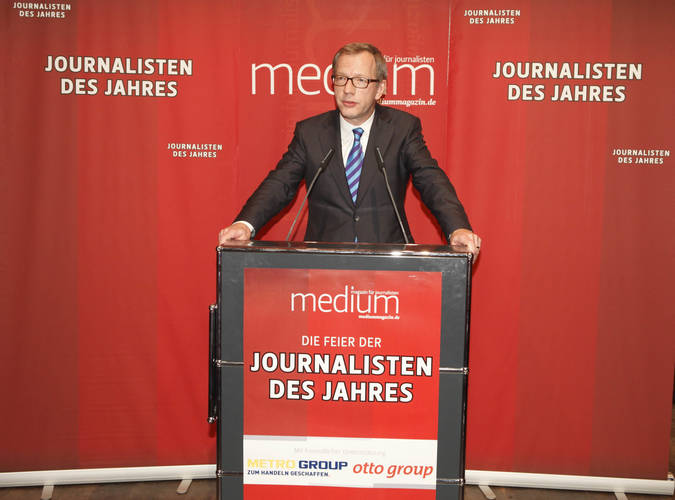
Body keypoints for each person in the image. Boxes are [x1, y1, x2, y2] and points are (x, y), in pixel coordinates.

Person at [218, 42, 481, 258]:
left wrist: (457, 228)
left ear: (380, 89)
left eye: (360, 80)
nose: (348, 89)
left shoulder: (402, 129)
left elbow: (431, 180)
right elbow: (280, 183)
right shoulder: (310, 133)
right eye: (341, 78)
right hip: (324, 263)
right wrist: (245, 224)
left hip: (389, 264)